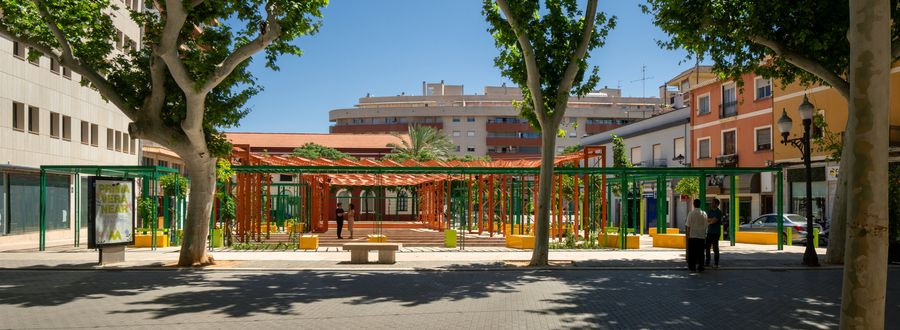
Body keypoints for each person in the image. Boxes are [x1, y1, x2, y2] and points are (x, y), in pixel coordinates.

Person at [685, 198, 708, 273]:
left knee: (692, 252)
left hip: (693, 236)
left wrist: (687, 236)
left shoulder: (691, 213)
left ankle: (692, 267)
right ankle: (701, 266)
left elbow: (688, 226)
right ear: (699, 204)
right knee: (701, 252)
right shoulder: (704, 213)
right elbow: (706, 225)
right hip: (701, 236)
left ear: (693, 204)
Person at [705, 198, 723, 268]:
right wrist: (710, 220)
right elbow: (707, 220)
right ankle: (707, 262)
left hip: (716, 232)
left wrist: (710, 220)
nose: (711, 204)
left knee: (715, 248)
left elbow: (713, 221)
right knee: (707, 247)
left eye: (712, 203)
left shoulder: (719, 212)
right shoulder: (710, 211)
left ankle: (716, 263)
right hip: (709, 231)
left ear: (716, 204)